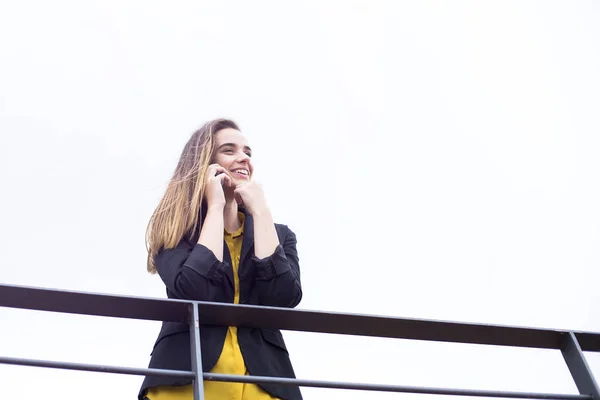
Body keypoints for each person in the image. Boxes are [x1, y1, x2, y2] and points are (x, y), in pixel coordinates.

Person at [138, 118, 303, 400]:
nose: (244, 159)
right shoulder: (175, 229)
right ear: (205, 164)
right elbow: (194, 289)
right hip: (185, 384)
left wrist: (261, 211)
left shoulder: (279, 235)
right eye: (230, 150)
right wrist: (215, 207)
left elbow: (284, 298)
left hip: (265, 387)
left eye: (247, 153)